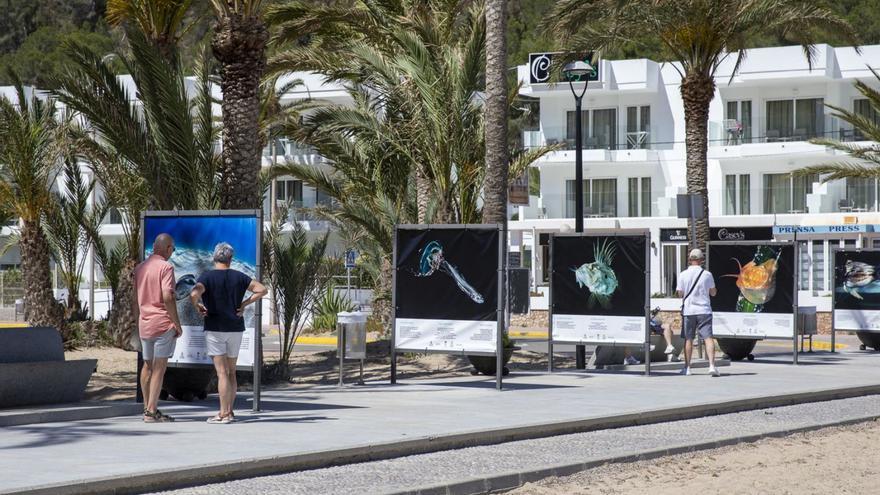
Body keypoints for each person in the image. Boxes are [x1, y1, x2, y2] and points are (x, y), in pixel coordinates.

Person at [190, 242, 267, 424]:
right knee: (231, 372)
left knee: (222, 373)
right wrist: (245, 304)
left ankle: (223, 413)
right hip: (235, 328)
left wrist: (198, 306)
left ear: (214, 257)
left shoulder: (207, 277)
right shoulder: (239, 276)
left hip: (215, 328)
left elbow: (194, 293)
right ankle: (230, 412)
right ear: (230, 259)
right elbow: (262, 289)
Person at [133, 233, 182, 423]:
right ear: (168, 248)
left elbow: (134, 299)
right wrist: (176, 323)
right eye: (173, 249)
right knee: (159, 368)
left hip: (145, 324)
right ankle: (151, 412)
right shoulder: (166, 267)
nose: (173, 252)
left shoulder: (140, 268)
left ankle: (148, 408)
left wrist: (138, 320)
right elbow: (168, 296)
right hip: (162, 324)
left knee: (147, 366)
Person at [675, 248, 720, 377]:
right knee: (708, 338)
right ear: (701, 260)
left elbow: (680, 293)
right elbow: (713, 292)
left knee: (688, 339)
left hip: (689, 311)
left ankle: (687, 368)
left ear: (690, 259)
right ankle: (711, 366)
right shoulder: (707, 274)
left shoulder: (683, 274)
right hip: (704, 310)